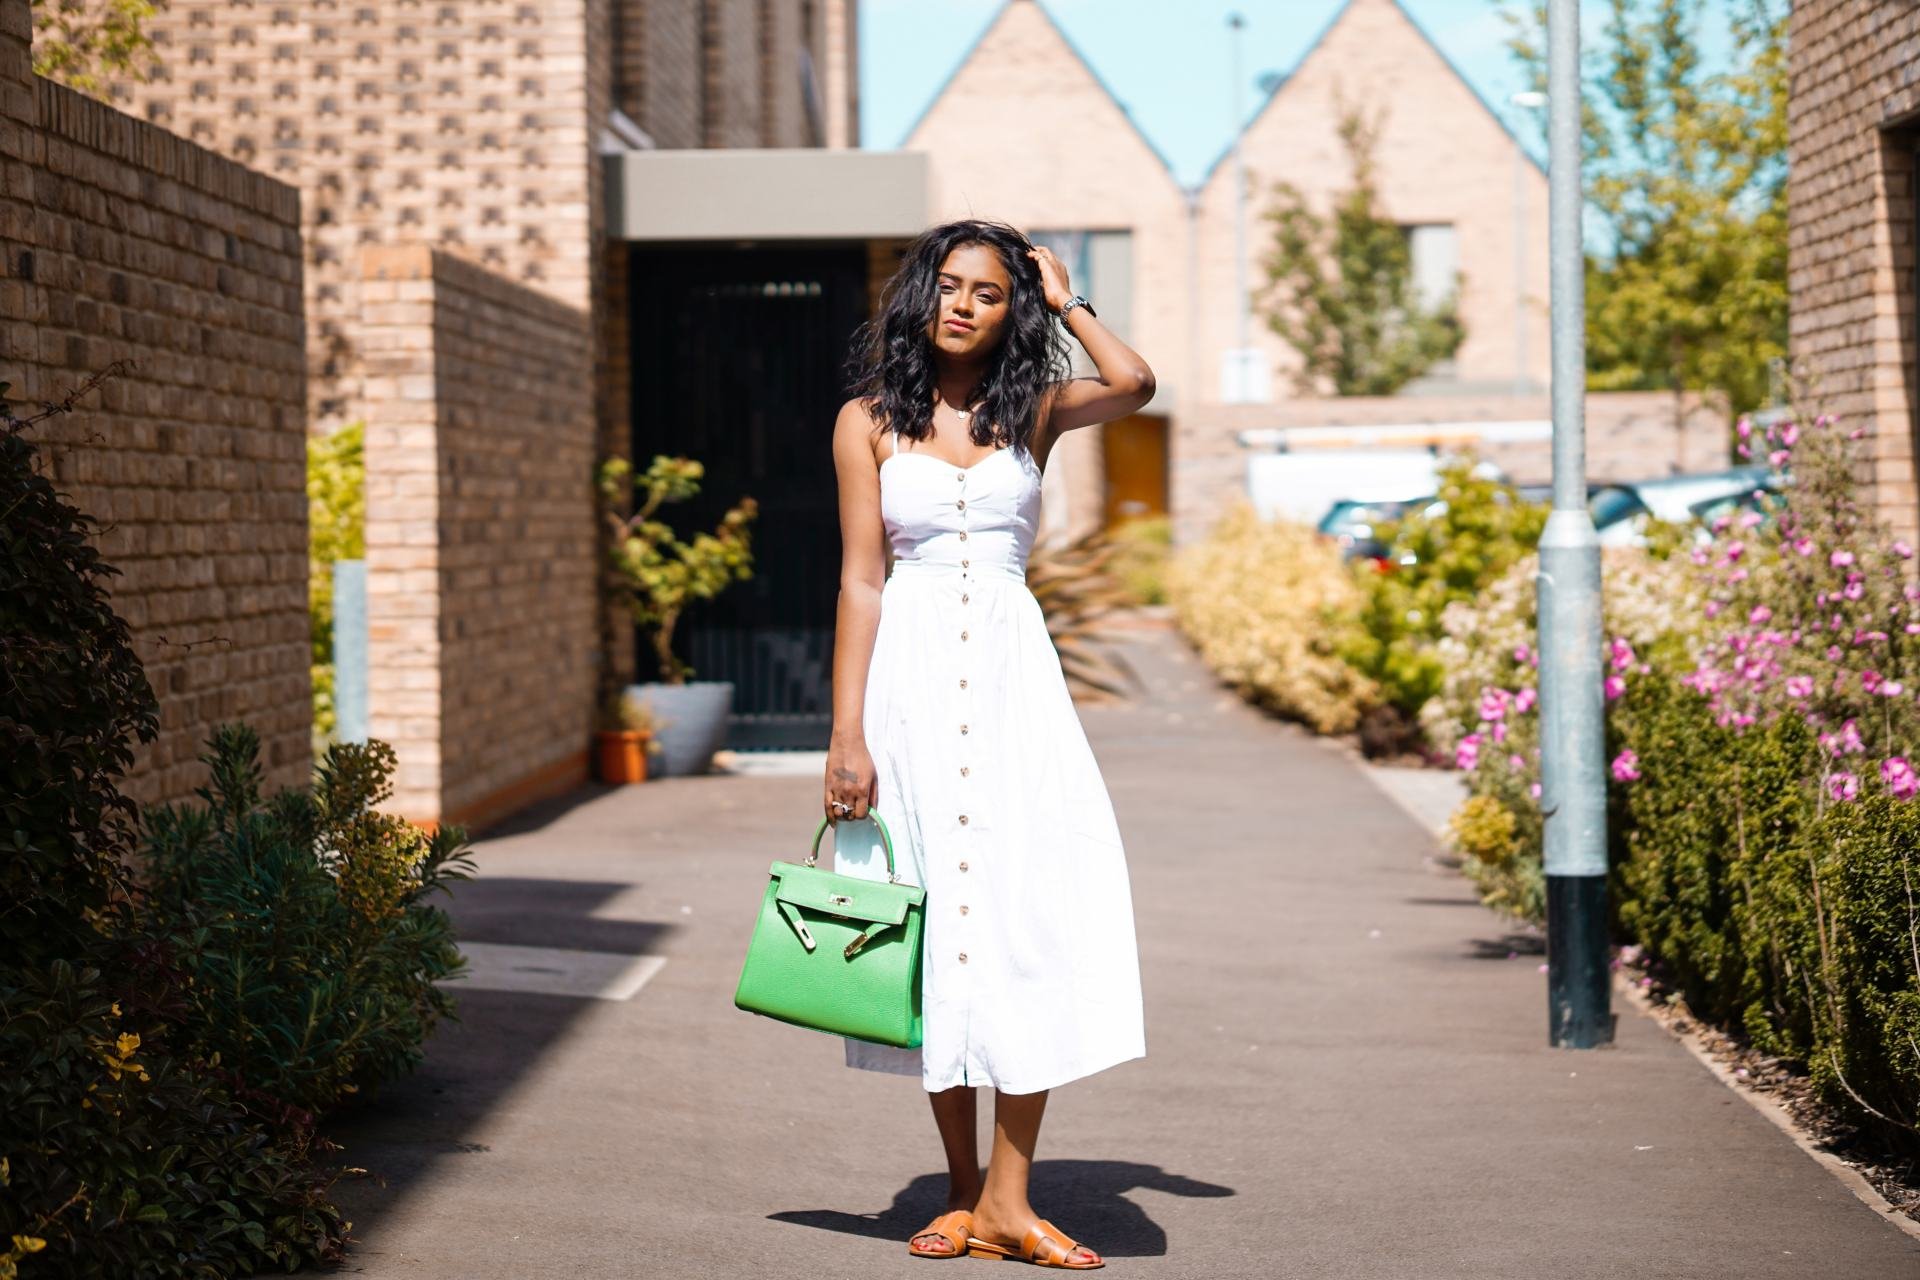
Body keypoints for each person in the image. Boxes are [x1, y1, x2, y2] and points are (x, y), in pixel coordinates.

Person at [822, 218, 1153, 1269]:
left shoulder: (1035, 412)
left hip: (1016, 691)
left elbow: (1137, 383)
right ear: (922, 295)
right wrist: (846, 733)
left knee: (1025, 918)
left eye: (991, 292)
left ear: (1014, 311)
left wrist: (1071, 298)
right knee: (936, 925)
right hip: (910, 689)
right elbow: (862, 579)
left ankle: (1012, 1196)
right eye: (952, 285)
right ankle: (966, 1192)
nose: (966, 304)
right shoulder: (867, 422)